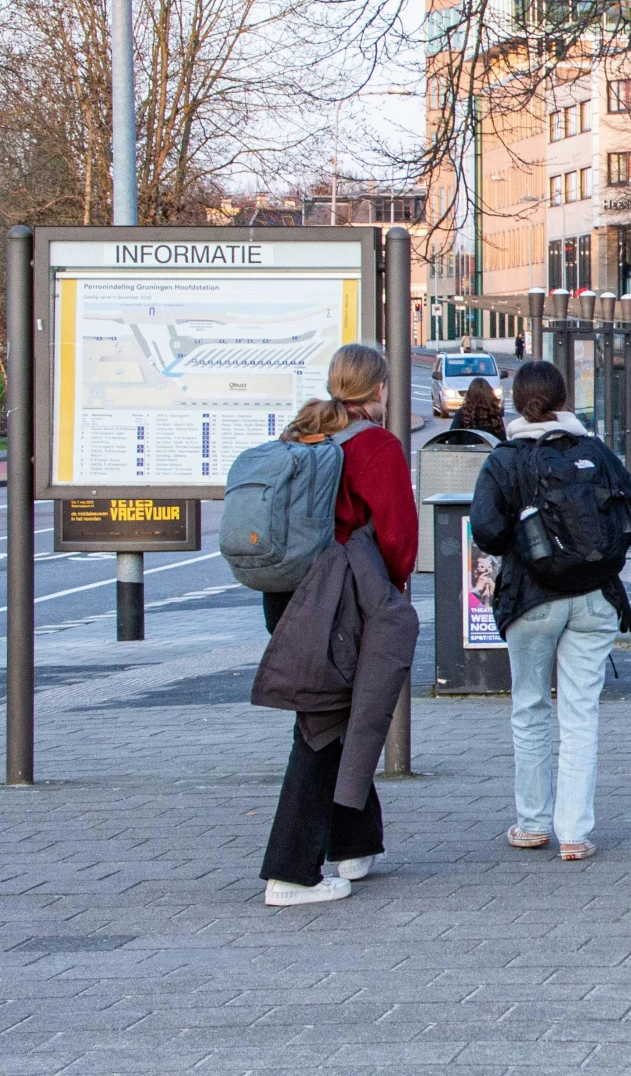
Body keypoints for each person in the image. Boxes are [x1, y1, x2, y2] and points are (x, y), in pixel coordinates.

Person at [250, 343, 420, 907]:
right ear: (378, 390)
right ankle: (291, 873)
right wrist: (388, 596)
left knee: (339, 712)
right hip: (341, 602)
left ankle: (352, 844)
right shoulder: (375, 445)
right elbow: (398, 536)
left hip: (287, 596)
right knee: (323, 726)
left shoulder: (303, 434)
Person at [469, 360, 631, 861]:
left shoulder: (505, 459)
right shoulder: (591, 449)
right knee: (581, 712)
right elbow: (627, 494)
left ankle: (531, 822)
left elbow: (485, 530)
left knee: (529, 707)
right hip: (593, 598)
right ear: (564, 400)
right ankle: (574, 832)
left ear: (516, 403)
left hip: (531, 598)